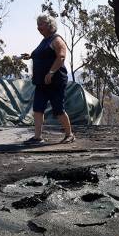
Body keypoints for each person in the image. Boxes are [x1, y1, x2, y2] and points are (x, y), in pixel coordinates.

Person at [20, 14, 74, 144]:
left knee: (58, 110)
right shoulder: (44, 41)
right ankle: (37, 137)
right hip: (41, 82)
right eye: (38, 25)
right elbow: (39, 55)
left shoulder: (56, 39)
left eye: (41, 24)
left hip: (55, 82)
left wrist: (51, 72)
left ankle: (69, 135)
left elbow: (61, 57)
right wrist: (29, 56)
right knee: (38, 109)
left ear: (50, 25)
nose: (38, 27)